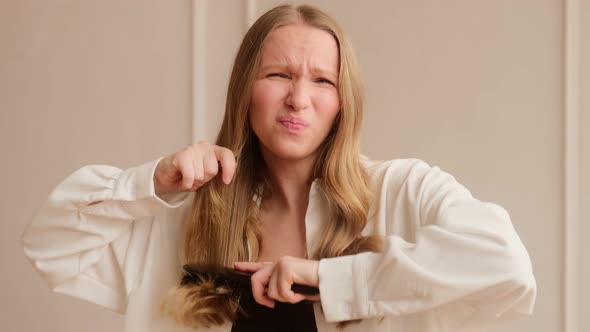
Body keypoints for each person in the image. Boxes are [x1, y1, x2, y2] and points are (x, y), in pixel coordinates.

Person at [22, 4, 536, 332]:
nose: (298, 99)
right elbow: (50, 245)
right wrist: (154, 181)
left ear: (343, 101)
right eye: (278, 74)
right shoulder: (185, 215)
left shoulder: (402, 192)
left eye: (322, 82)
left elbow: (506, 264)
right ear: (245, 89)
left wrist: (332, 279)